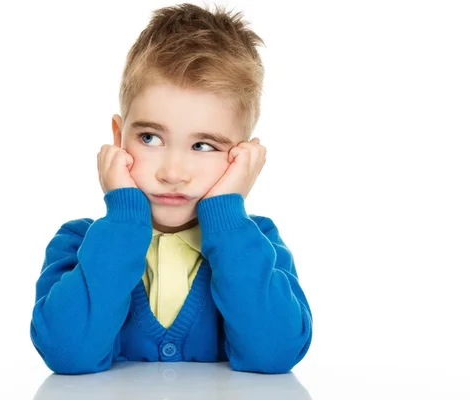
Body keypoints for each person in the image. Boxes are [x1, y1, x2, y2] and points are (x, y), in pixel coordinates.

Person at [30, 2, 312, 375]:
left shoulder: (256, 243)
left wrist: (227, 215)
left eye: (203, 145)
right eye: (150, 137)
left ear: (242, 157)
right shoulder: (78, 243)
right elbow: (68, 354)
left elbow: (275, 354)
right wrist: (124, 221)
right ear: (119, 137)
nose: (173, 172)